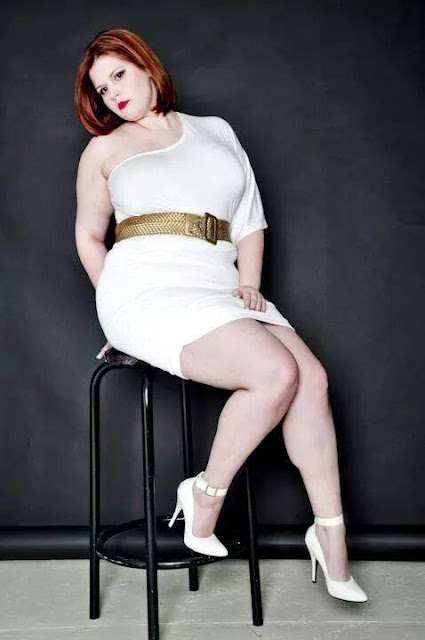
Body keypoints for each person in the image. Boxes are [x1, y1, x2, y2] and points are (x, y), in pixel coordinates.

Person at [74, 28, 367, 602]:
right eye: (102, 89)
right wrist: (115, 312)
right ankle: (205, 494)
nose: (113, 94)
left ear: (147, 66)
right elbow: (89, 238)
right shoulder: (104, 150)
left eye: (119, 75)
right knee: (275, 373)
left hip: (219, 284)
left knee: (311, 379)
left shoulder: (216, 131)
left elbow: (249, 219)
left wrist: (248, 283)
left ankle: (331, 536)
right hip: (146, 288)